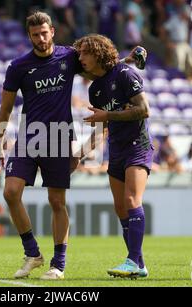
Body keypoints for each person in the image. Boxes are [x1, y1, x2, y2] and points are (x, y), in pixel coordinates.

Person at [0, 11, 145, 280]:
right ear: (29, 36)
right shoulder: (18, 67)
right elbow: (5, 108)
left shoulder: (69, 56)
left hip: (60, 136)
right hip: (29, 136)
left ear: (52, 31)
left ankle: (58, 264)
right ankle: (32, 253)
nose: (40, 38)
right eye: (35, 35)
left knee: (56, 201)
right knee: (11, 192)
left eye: (44, 33)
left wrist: (128, 59)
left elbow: (102, 65)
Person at [76, 34, 152, 279]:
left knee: (131, 201)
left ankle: (132, 261)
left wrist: (108, 116)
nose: (81, 58)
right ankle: (138, 264)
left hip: (136, 145)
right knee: (120, 208)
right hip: (116, 149)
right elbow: (100, 130)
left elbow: (144, 110)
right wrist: (78, 154)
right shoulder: (96, 90)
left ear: (98, 53)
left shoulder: (125, 74)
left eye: (85, 53)